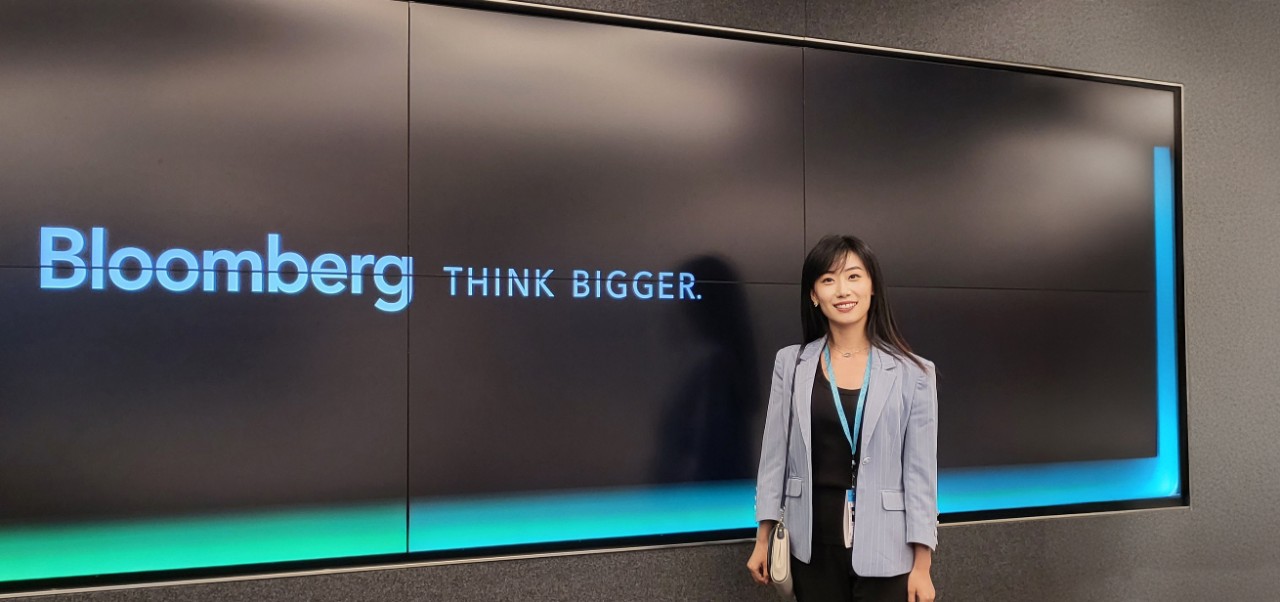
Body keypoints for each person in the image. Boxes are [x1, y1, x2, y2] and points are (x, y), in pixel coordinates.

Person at [747, 235, 938, 602]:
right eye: (828, 279)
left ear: (872, 287)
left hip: (888, 547)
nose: (842, 290)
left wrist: (922, 565)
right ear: (814, 294)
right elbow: (774, 457)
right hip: (811, 543)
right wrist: (763, 538)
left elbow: (920, 475)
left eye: (853, 276)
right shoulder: (791, 363)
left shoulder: (914, 373)